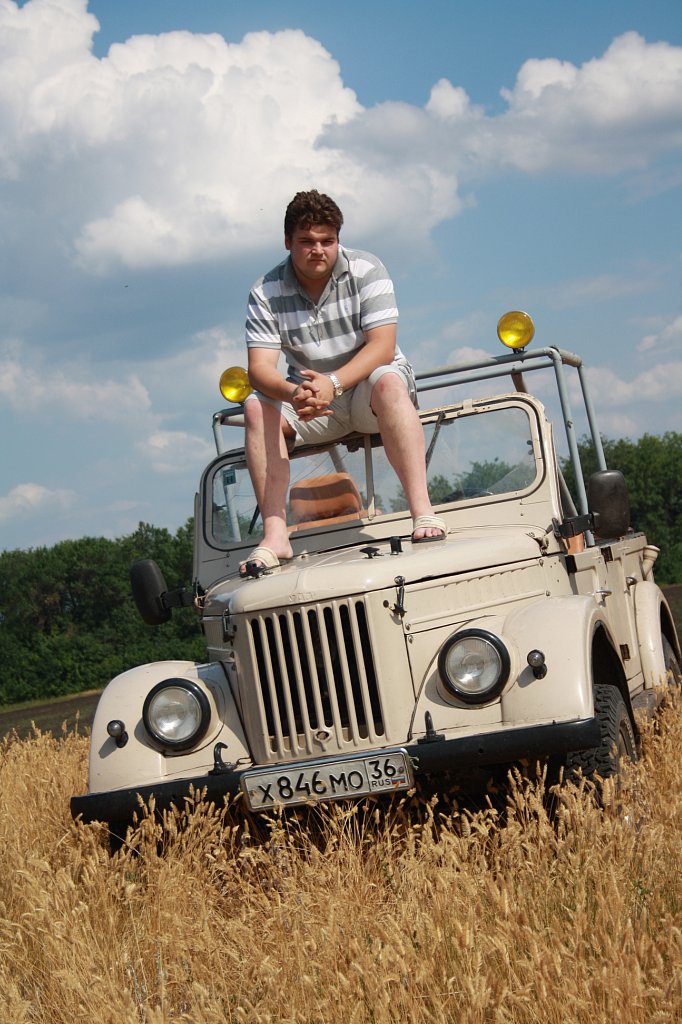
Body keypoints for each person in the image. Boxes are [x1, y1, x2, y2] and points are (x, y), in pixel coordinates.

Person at [241, 189, 446, 573]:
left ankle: (422, 512)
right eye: (306, 241)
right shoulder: (265, 291)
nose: (318, 250)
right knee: (254, 407)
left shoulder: (367, 269)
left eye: (327, 240)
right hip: (310, 401)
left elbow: (383, 346)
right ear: (287, 242)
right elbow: (259, 369)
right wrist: (295, 392)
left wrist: (332, 383)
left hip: (370, 390)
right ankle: (275, 534)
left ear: (338, 239)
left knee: (388, 381)